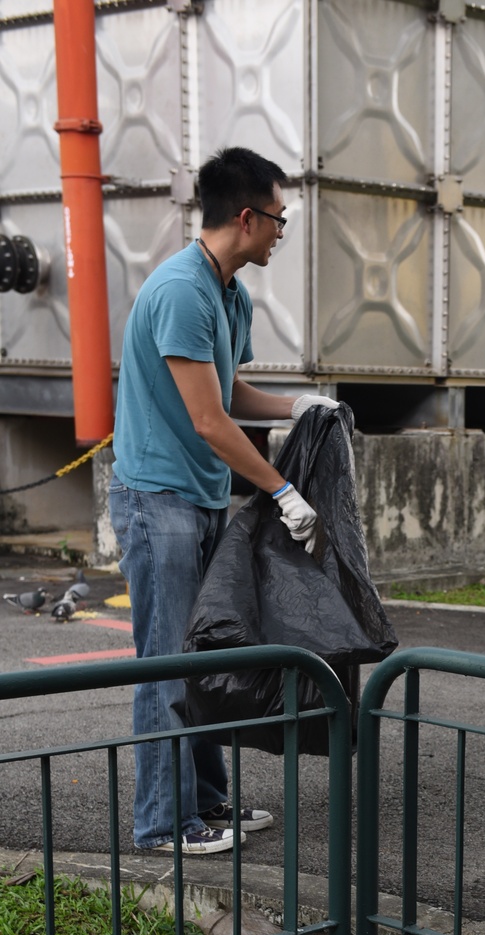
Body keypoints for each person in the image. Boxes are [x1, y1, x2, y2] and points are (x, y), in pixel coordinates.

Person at [110, 146, 338, 855]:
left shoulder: (228, 292)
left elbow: (230, 394)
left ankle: (206, 803)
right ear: (246, 218)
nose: (280, 232)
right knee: (167, 664)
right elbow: (210, 420)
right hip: (159, 502)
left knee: (201, 658)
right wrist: (283, 490)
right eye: (279, 219)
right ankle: (162, 823)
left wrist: (295, 405)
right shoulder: (182, 291)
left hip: (199, 499)